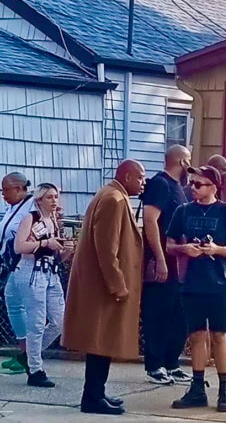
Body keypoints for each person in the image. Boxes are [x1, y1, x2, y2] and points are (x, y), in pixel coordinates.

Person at [62, 160, 145, 416]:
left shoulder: (112, 194)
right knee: (100, 342)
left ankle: (97, 392)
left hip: (100, 286)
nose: (143, 183)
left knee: (103, 342)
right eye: (140, 178)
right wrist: (118, 285)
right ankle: (92, 397)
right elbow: (106, 249)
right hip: (103, 288)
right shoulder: (114, 200)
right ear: (128, 176)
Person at [167, 166, 226, 414]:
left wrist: (217, 249)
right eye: (191, 183)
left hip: (218, 282)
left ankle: (224, 389)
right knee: (197, 335)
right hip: (191, 282)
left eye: (198, 184)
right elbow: (169, 244)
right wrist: (184, 248)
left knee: (219, 336)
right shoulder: (183, 211)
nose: (193, 187)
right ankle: (197, 387)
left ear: (213, 186)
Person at [141, 145, 191, 385]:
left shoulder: (179, 188)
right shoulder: (160, 184)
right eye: (188, 161)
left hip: (179, 261)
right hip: (161, 259)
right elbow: (150, 220)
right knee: (157, 313)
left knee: (178, 314)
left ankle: (172, 362)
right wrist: (160, 259)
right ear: (181, 162)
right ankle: (154, 365)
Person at [14, 183, 65, 388]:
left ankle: (29, 355)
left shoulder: (53, 221)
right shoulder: (31, 218)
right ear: (39, 200)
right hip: (31, 272)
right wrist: (44, 244)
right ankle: (35, 369)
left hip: (50, 273)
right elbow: (20, 246)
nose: (54, 201)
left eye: (56, 197)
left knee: (59, 321)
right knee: (35, 322)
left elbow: (55, 253)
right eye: (49, 197)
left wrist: (64, 249)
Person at [0, 172, 34, 374]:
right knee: (13, 304)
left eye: (6, 190)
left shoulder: (31, 208)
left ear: (19, 188)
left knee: (26, 307)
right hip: (10, 264)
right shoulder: (12, 208)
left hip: (24, 264)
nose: (3, 194)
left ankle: (29, 354)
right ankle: (24, 352)